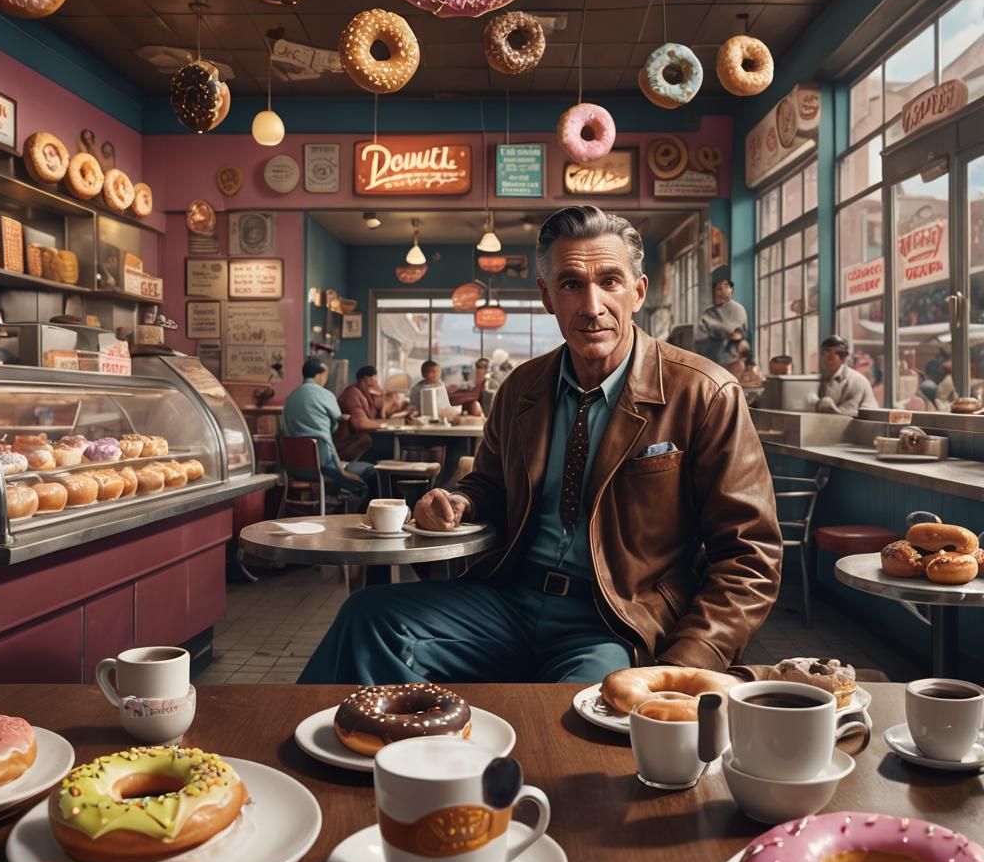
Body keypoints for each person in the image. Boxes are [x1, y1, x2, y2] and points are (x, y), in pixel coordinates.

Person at [299, 205, 782, 685]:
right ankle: (326, 760)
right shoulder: (521, 388)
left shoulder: (704, 392)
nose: (592, 306)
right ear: (548, 296)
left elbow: (750, 554)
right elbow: (488, 485)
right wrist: (459, 502)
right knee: (368, 620)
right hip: (508, 599)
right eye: (571, 284)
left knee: (580, 718)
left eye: (610, 281)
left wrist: (687, 665)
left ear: (638, 292)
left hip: (613, 622)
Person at [281, 358, 377, 503]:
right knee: (369, 475)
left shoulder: (290, 398)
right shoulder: (325, 395)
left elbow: (284, 428)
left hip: (293, 468)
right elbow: (336, 424)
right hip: (323, 466)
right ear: (320, 375)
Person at [334, 364, 407, 462]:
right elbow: (361, 424)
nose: (376, 384)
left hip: (360, 440)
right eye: (374, 380)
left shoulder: (367, 394)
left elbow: (378, 416)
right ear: (366, 380)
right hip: (347, 445)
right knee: (382, 441)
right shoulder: (352, 394)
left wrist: (383, 404)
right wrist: (384, 425)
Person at [695, 278, 749, 378]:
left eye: (724, 287)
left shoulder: (738, 309)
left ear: (731, 289)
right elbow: (699, 337)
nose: (720, 291)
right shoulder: (707, 313)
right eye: (717, 288)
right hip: (711, 362)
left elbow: (736, 333)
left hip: (733, 361)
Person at [816, 335, 877, 416]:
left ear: (844, 357)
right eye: (826, 353)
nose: (829, 359)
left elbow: (848, 412)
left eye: (836, 354)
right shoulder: (823, 378)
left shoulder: (857, 381)